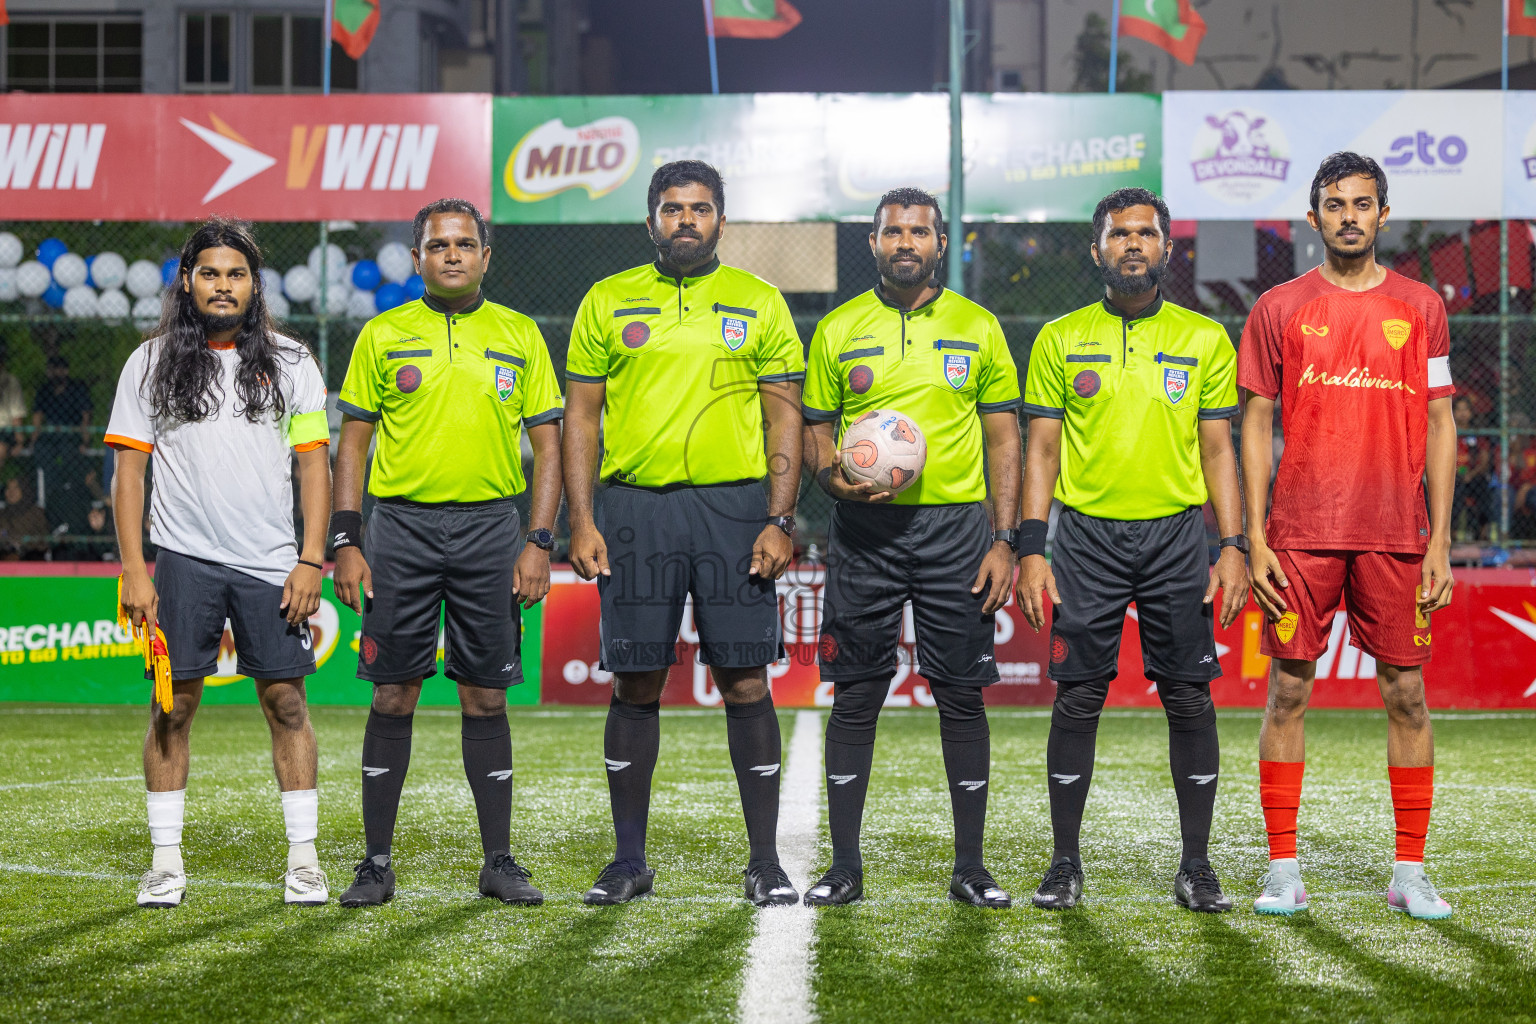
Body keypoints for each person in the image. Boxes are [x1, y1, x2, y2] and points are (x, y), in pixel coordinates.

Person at [563, 160, 805, 907]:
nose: (686, 220)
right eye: (673, 209)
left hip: (734, 512)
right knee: (637, 680)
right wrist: (583, 518)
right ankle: (628, 859)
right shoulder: (607, 299)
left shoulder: (758, 302)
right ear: (651, 221)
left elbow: (783, 417)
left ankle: (763, 861)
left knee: (743, 679)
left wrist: (780, 517)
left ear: (721, 221)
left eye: (700, 209)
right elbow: (581, 417)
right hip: (635, 512)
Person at [1016, 187, 1248, 913]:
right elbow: (1042, 450)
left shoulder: (1205, 338)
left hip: (1178, 535)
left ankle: (1197, 866)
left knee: (1188, 696)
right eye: (1120, 234)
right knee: (1078, 696)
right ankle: (1063, 864)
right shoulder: (1058, 338)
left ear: (1168, 248)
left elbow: (1218, 449)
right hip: (1085, 536)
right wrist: (1031, 547)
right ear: (1097, 250)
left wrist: (1233, 544)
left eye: (1147, 233)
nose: (1134, 244)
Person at [1240, 153, 1457, 920]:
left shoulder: (1422, 306)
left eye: (1363, 204)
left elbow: (1439, 421)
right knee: (1288, 689)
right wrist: (1254, 536)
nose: (1349, 217)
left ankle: (1409, 870)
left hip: (1397, 533)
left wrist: (1439, 541)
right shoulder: (1279, 307)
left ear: (1383, 215)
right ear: (1314, 219)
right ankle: (1282, 868)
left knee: (1408, 693)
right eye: (1335, 205)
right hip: (1300, 532)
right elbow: (1256, 421)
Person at [332, 199, 564, 909]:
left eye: (466, 244)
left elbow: (549, 445)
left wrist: (538, 539)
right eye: (439, 246)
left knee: (485, 696)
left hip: (492, 530)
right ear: (417, 259)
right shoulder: (383, 333)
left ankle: (498, 861)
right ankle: (375, 863)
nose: (453, 255)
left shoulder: (520, 334)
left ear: (486, 257)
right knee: (393, 692)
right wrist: (347, 538)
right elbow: (354, 444)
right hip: (399, 529)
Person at [799, 187, 1022, 908]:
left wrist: (1005, 538)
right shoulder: (838, 328)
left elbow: (1003, 438)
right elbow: (815, 431)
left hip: (957, 532)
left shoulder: (979, 327)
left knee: (961, 695)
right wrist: (835, 478)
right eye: (892, 231)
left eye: (919, 232)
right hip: (866, 533)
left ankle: (971, 867)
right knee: (857, 694)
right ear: (873, 242)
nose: (905, 242)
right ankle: (845, 867)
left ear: (940, 243)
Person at [108, 218, 332, 908]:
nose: (223, 285)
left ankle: (304, 861)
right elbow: (128, 476)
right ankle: (166, 864)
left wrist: (312, 559)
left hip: (272, 565)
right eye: (210, 273)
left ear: (253, 284)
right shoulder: (148, 364)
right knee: (172, 707)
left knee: (286, 701)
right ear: (187, 281)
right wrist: (136, 570)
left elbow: (314, 468)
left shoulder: (292, 361)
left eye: (236, 274)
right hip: (183, 562)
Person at [0, 476, 49, 559]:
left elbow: (44, 542)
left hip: (29, 556)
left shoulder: (35, 513)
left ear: (23, 490)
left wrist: (23, 545)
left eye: (15, 488)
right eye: (8, 488)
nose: (11, 492)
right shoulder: (2, 513)